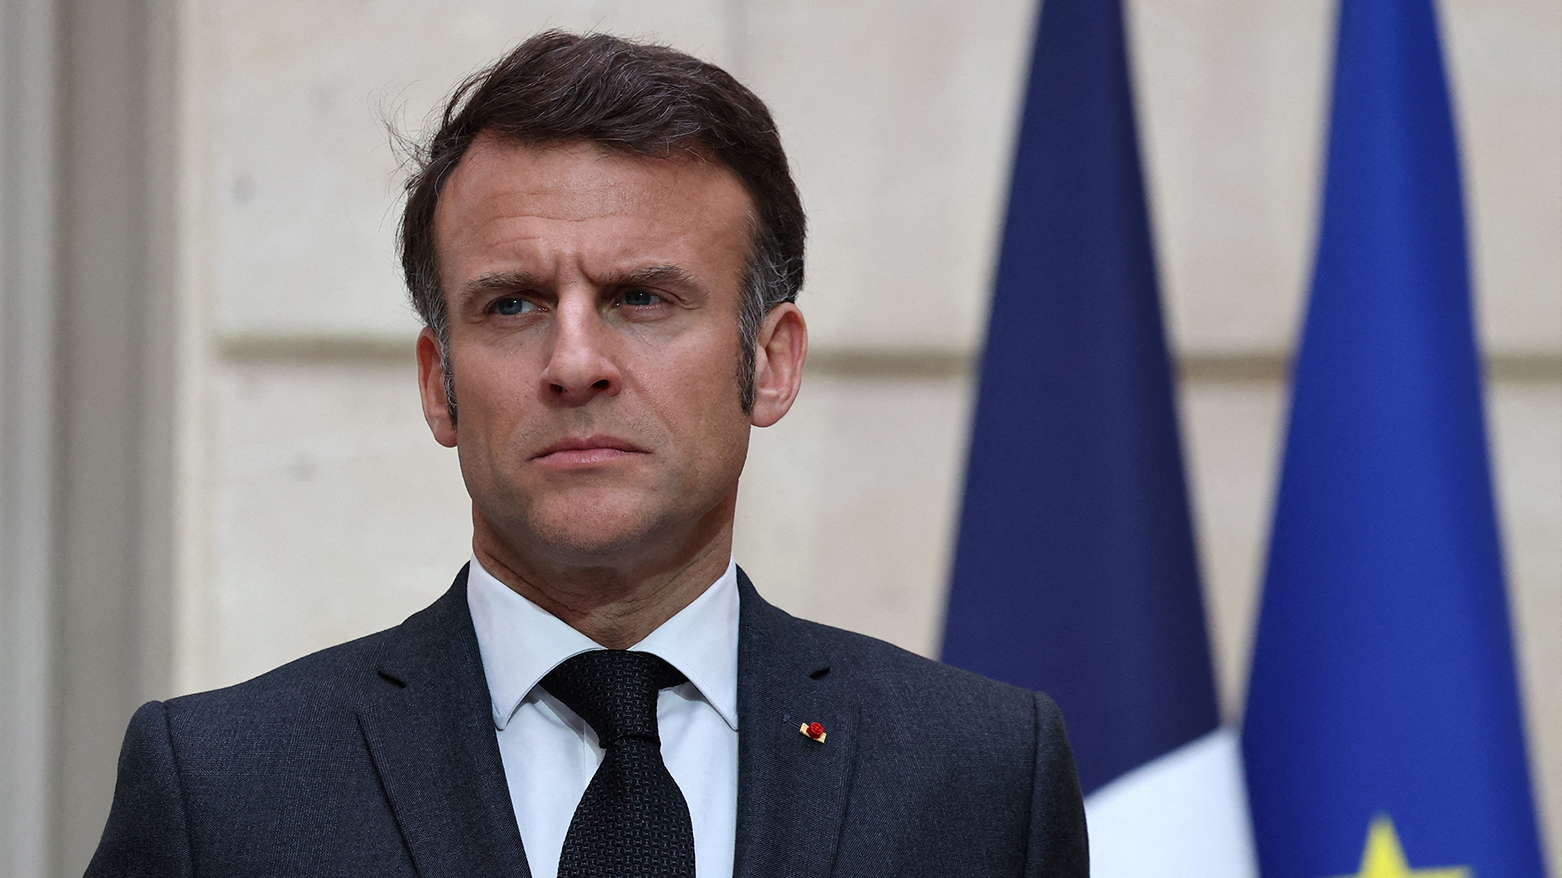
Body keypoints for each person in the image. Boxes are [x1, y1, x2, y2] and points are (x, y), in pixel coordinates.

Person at [87, 31, 1088, 877]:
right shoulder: (222, 789)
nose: (573, 362)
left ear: (768, 363)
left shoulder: (980, 774)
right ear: (439, 381)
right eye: (512, 303)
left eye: (641, 298)